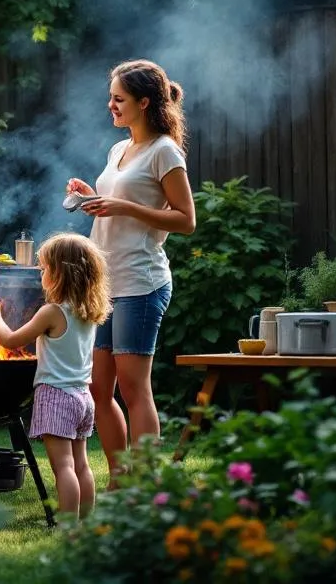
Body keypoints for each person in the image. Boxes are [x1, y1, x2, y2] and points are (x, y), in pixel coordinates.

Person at [65, 59, 197, 487]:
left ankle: (145, 482)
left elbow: (184, 220)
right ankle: (119, 477)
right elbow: (115, 202)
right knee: (97, 389)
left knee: (133, 387)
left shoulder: (165, 151)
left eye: (119, 99)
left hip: (142, 281)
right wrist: (92, 195)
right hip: (105, 282)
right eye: (111, 98)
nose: (111, 105)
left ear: (144, 102)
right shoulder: (118, 150)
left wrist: (123, 206)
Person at [0, 232, 111, 521]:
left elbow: (10, 341)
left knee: (63, 467)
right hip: (83, 397)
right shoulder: (88, 311)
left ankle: (67, 525)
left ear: (59, 274)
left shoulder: (51, 312)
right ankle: (86, 522)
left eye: (44, 269)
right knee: (81, 465)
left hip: (57, 396)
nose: (41, 274)